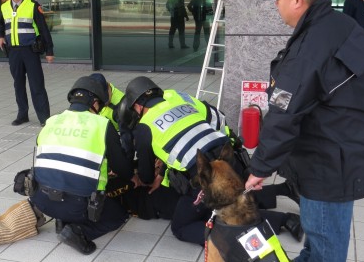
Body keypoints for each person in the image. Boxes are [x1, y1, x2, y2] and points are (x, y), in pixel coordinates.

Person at [247, 0, 364, 262]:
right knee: (321, 223)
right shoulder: (336, 24)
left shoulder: (311, 45)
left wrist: (260, 168)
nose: (275, 5)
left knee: (325, 229)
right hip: (345, 143)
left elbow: (284, 113)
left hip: (331, 154)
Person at [124, 77, 302, 246]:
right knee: (239, 197)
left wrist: (148, 177)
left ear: (138, 107)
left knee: (185, 225)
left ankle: (235, 239)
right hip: (231, 160)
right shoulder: (180, 102)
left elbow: (146, 177)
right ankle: (285, 200)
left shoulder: (144, 126)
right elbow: (214, 118)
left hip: (206, 176)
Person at [30, 76, 133, 254]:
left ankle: (62, 219)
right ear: (94, 102)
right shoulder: (102, 125)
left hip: (42, 200)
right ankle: (78, 232)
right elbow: (123, 169)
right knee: (119, 215)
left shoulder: (51, 121)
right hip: (78, 206)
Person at [0, 0, 54, 127]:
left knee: (37, 84)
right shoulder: (4, 7)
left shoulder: (33, 5)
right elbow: (1, 25)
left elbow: (43, 29)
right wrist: (0, 36)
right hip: (13, 52)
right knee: (18, 84)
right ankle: (22, 114)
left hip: (30, 51)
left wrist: (49, 51)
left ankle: (44, 117)